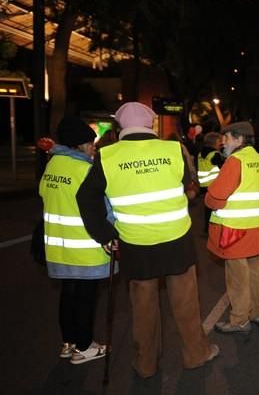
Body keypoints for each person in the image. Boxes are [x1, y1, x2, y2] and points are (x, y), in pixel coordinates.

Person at [77, 102, 219, 378]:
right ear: (150, 125)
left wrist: (105, 235)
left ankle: (145, 364)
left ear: (121, 127)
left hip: (136, 244)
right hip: (176, 239)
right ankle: (196, 354)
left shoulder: (107, 156)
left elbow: (86, 197)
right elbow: (187, 183)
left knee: (143, 308)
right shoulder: (173, 149)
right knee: (186, 303)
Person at [39, 116, 109, 365]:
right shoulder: (85, 170)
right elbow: (102, 208)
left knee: (68, 295)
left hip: (58, 246)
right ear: (80, 145)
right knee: (86, 298)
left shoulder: (52, 166)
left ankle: (68, 342)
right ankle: (85, 346)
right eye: (91, 143)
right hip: (85, 245)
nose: (93, 148)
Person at [206, 122, 259, 334]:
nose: (223, 143)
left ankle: (239, 319)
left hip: (233, 230)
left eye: (227, 138)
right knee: (255, 270)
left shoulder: (235, 161)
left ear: (239, 139)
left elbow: (214, 198)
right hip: (255, 227)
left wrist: (209, 198)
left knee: (237, 276)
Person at [197, 132, 225, 231]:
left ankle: (206, 228)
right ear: (215, 142)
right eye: (220, 142)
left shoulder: (201, 153)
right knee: (216, 208)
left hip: (204, 185)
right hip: (214, 184)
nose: (221, 144)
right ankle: (214, 228)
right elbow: (224, 167)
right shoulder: (215, 154)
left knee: (207, 207)